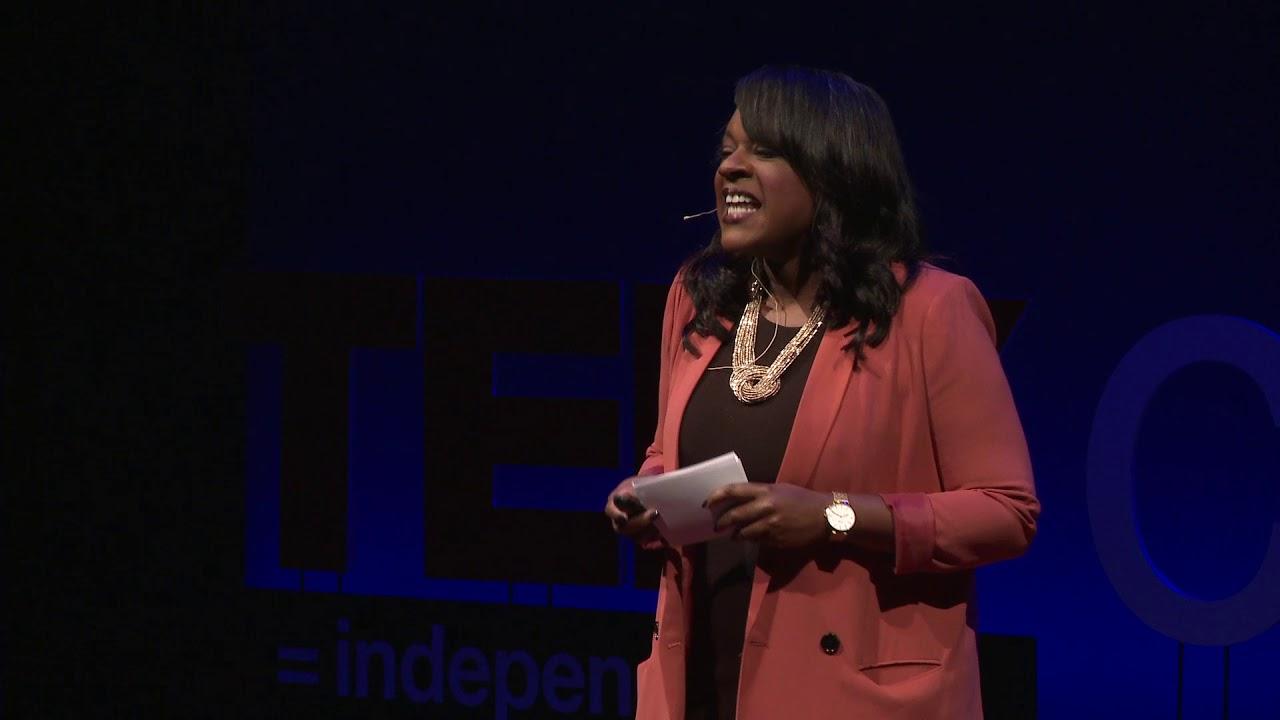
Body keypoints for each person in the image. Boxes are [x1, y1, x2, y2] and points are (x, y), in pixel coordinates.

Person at [603, 65, 1040, 719]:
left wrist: (835, 517)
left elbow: (1006, 512)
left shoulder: (929, 311)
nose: (730, 168)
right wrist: (646, 495)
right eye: (727, 150)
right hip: (700, 685)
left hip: (854, 698)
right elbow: (668, 453)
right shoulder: (697, 299)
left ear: (833, 171)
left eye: (763, 150)